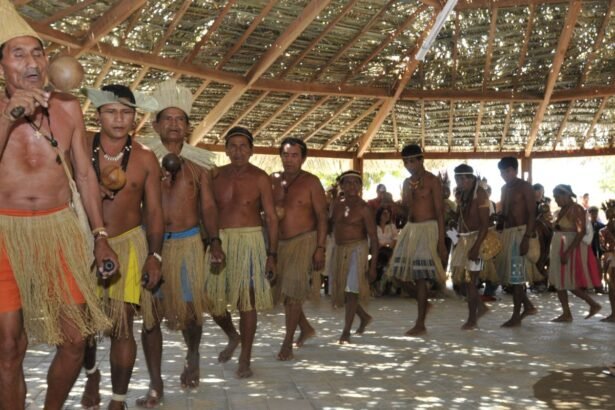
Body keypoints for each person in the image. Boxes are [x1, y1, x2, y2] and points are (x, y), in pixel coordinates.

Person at [0, 4, 116, 408]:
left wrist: (101, 236)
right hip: (4, 235)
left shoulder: (66, 109)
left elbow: (85, 176)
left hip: (59, 231)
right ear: (2, 66)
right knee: (9, 349)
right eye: (19, 54)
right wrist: (9, 116)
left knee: (75, 340)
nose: (31, 62)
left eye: (37, 53)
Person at [129, 79, 222, 406]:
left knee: (191, 314)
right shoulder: (142, 159)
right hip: (151, 246)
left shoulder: (199, 164)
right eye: (167, 118)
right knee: (151, 316)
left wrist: (216, 242)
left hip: (188, 243)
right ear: (155, 124)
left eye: (179, 119)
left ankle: (192, 353)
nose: (173, 124)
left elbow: (208, 206)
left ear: (187, 126)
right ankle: (156, 384)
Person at [80, 85, 164, 410]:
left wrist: (155, 255)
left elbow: (155, 212)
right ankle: (91, 373)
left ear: (135, 117)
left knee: (122, 325)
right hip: (83, 242)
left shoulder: (144, 158)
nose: (119, 118)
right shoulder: (81, 146)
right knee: (83, 324)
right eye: (111, 111)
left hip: (129, 244)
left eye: (126, 112)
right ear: (98, 114)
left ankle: (118, 400)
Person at [205, 126, 277, 378]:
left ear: (251, 150)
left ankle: (245, 357)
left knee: (247, 301)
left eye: (243, 146)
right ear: (226, 150)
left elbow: (270, 217)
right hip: (220, 240)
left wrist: (271, 254)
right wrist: (214, 241)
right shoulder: (214, 176)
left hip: (250, 241)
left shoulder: (260, 177)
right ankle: (232, 335)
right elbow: (209, 210)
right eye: (233, 146)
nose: (238, 151)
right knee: (211, 300)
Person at [270, 137, 327, 360]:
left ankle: (287, 343)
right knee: (286, 293)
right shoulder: (273, 179)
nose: (289, 159)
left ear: (303, 158)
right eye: (286, 155)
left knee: (293, 294)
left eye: (294, 155)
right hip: (279, 244)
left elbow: (323, 217)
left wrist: (320, 247)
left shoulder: (311, 182)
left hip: (304, 241)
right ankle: (305, 328)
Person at [387, 144, 447, 336]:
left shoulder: (432, 181)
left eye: (412, 160)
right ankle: (424, 302)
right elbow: (407, 211)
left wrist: (441, 242)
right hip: (410, 230)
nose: (409, 165)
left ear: (421, 160)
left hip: (428, 229)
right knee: (395, 273)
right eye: (405, 162)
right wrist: (397, 207)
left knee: (420, 277)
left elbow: (439, 212)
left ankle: (420, 323)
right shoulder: (406, 183)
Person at [330, 170, 378, 344]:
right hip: (339, 250)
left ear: (360, 186)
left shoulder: (364, 208)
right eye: (347, 183)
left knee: (351, 292)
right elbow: (329, 225)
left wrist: (373, 266)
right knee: (341, 291)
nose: (352, 186)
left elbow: (373, 237)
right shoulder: (336, 205)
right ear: (342, 185)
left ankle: (346, 332)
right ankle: (364, 317)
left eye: (355, 183)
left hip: (357, 250)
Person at [548, 184, 601, 322]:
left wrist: (567, 252)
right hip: (559, 246)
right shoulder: (562, 210)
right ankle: (566, 313)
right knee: (559, 282)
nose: (556, 200)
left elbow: (581, 232)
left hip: (568, 247)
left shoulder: (576, 209)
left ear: (566, 195)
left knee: (568, 283)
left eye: (557, 196)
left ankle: (593, 304)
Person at [495, 156, 537, 327]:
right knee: (512, 276)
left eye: (507, 171)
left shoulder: (525, 187)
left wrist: (526, 237)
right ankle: (527, 307)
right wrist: (497, 218)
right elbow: (505, 214)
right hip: (508, 233)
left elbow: (532, 213)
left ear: (515, 170)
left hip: (521, 232)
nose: (504, 175)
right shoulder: (504, 189)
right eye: (502, 172)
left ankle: (516, 316)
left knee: (517, 278)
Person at [450, 165, 490, 330]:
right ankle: (478, 310)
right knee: (467, 282)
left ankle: (473, 318)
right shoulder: (463, 194)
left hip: (477, 241)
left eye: (461, 179)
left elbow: (485, 225)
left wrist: (476, 247)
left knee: (471, 282)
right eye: (457, 180)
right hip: (464, 240)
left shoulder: (480, 194)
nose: (459, 183)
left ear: (470, 178)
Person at [374, 207, 398, 295]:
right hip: (379, 249)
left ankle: (387, 281)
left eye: (388, 213)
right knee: (382, 254)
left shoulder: (392, 227)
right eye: (384, 213)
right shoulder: (375, 227)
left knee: (388, 254)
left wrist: (389, 246)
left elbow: (395, 239)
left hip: (389, 249)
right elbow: (373, 240)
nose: (386, 215)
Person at [599, 200, 615, 322]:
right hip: (609, 258)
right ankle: (613, 313)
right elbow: (602, 246)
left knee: (612, 287)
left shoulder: (603, 230)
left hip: (610, 258)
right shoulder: (603, 231)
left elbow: (603, 246)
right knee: (611, 287)